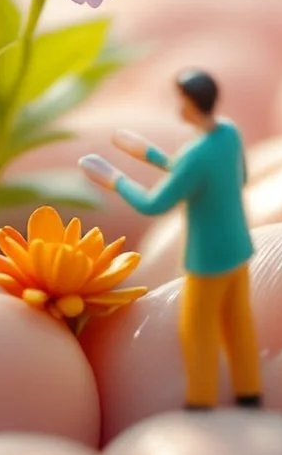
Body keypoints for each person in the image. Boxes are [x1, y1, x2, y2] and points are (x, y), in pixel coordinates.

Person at [82, 68, 266, 410]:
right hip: (238, 249)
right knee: (238, 323)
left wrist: (115, 180)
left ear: (191, 107)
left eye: (181, 101)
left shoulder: (196, 156)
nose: (179, 108)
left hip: (208, 260)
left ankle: (200, 399)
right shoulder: (229, 133)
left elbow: (154, 204)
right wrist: (151, 156)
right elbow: (233, 178)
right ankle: (249, 391)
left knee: (197, 329)